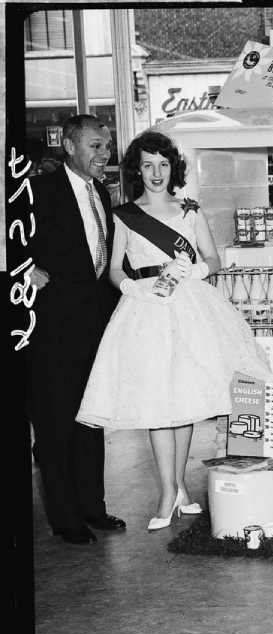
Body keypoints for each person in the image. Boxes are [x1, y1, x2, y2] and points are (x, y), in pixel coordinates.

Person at [76, 130, 273, 531]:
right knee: (157, 400)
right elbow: (115, 270)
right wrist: (135, 288)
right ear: (136, 169)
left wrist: (193, 271)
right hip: (147, 312)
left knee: (182, 399)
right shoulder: (124, 215)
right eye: (147, 165)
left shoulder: (189, 210)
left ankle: (180, 488)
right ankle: (167, 492)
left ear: (173, 167)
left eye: (163, 164)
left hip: (190, 308)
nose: (156, 172)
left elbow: (214, 258)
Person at [28, 114, 125, 545]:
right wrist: (24, 269)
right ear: (69, 146)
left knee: (91, 419)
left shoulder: (101, 191)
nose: (103, 154)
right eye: (94, 145)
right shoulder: (37, 190)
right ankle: (66, 517)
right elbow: (8, 238)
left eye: (106, 146)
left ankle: (93, 508)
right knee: (55, 424)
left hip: (95, 321)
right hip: (52, 325)